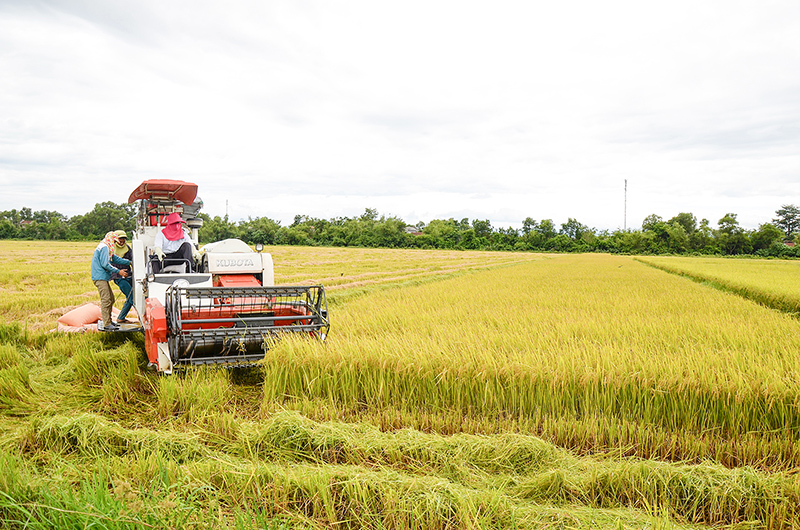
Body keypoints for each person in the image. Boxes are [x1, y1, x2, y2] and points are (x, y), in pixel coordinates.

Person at [91, 231, 130, 331]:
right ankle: (107, 323)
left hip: (102, 277)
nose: (115, 243)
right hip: (99, 277)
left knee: (111, 299)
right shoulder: (104, 247)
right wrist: (118, 271)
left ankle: (109, 321)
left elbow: (115, 259)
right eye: (114, 241)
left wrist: (129, 262)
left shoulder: (106, 247)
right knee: (106, 299)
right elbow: (105, 264)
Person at [112, 230, 135, 324]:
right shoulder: (111, 250)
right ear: (116, 239)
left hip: (129, 275)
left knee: (131, 297)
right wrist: (119, 273)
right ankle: (143, 316)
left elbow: (133, 259)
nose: (122, 241)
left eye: (124, 239)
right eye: (120, 239)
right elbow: (109, 264)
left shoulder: (127, 248)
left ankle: (121, 318)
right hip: (118, 277)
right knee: (132, 297)